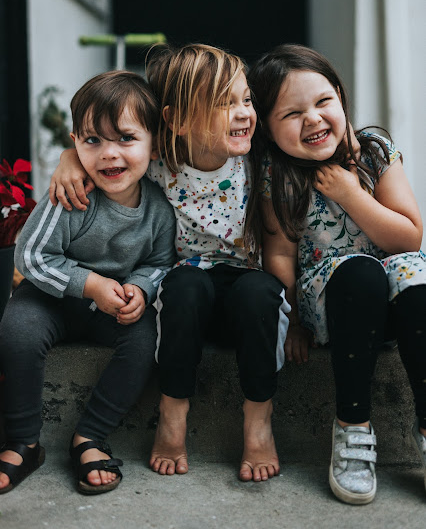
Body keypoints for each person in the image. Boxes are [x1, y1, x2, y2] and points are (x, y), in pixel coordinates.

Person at [47, 44, 291, 483]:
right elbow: (112, 153)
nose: (243, 113)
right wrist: (68, 159)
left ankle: (259, 422)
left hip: (246, 298)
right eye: (224, 103)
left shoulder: (258, 161)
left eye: (246, 99)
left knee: (260, 291)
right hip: (184, 303)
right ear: (177, 122)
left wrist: (301, 322)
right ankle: (172, 414)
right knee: (185, 284)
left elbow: (280, 247)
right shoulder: (162, 164)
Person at [246, 43, 426, 504]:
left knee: (414, 271)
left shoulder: (374, 152)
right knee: (360, 273)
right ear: (267, 127)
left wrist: (350, 193)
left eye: (323, 102)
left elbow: (409, 237)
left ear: (341, 98)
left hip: (397, 305)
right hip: (336, 306)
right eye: (291, 113)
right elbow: (280, 256)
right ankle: (352, 425)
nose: (313, 119)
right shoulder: (277, 175)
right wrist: (294, 323)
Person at [0, 71, 176, 495]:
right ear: (75, 142)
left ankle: (90, 436)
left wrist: (141, 288)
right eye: (92, 140)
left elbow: (160, 261)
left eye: (125, 139)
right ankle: (23, 440)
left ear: (154, 143)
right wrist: (89, 283)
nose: (108, 155)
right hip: (48, 298)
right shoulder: (72, 194)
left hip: (113, 306)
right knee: (17, 330)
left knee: (143, 343)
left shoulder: (159, 209)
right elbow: (31, 255)